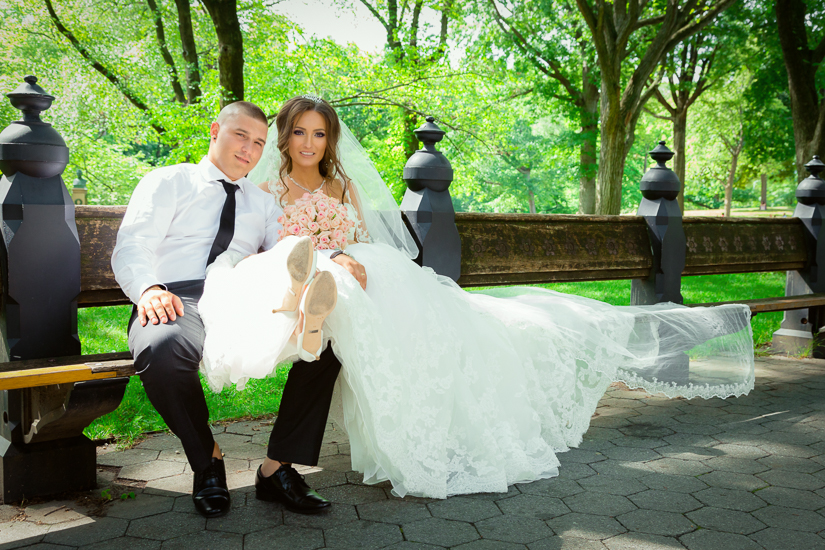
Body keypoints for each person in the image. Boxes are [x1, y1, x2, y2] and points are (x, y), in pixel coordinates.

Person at [199, 95, 756, 500]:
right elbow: (260, 245)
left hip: (347, 280)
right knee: (323, 323)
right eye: (299, 133)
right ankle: (287, 437)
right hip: (295, 287)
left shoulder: (343, 186)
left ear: (331, 141)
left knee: (396, 322)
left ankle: (336, 433)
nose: (309, 144)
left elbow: (363, 241)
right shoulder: (265, 190)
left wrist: (345, 256)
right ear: (284, 136)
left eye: (319, 134)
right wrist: (309, 259)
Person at [111, 101, 361, 518]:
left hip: (238, 296)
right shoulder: (170, 180)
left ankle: (278, 467)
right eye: (240, 135)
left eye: (259, 142)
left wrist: (335, 254)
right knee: (162, 348)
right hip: (176, 296)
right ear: (215, 131)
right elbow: (132, 244)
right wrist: (148, 289)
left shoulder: (260, 202)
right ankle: (206, 459)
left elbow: (290, 245)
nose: (248, 149)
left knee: (330, 335)